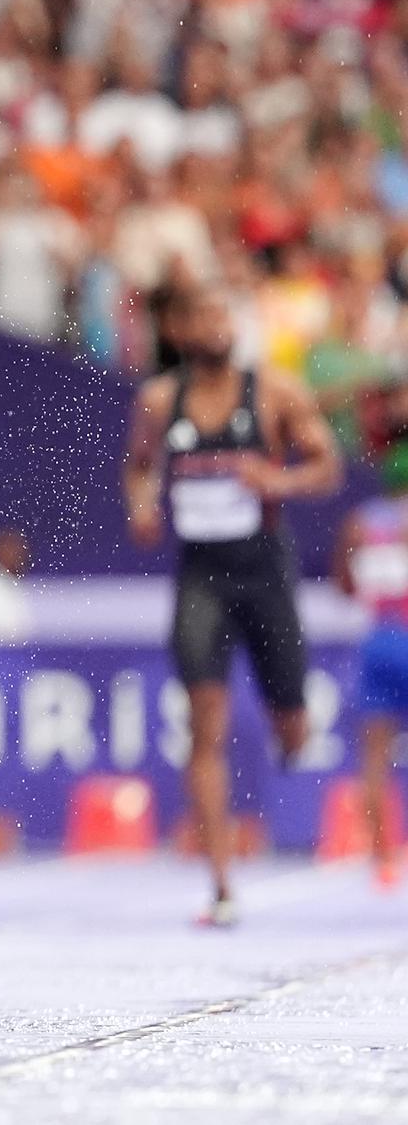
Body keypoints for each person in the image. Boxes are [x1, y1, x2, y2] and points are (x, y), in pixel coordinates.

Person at [124, 282, 340, 925]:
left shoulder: (275, 392)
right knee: (204, 724)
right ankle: (221, 885)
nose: (218, 327)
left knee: (291, 726)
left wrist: (278, 479)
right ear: (184, 333)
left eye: (226, 316)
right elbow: (139, 465)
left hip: (265, 573)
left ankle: (288, 728)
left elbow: (326, 465)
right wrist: (140, 504)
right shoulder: (161, 401)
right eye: (205, 318)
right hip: (202, 579)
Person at [328, 453, 407, 891]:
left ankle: (384, 861)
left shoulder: (361, 523)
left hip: (378, 641)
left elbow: (344, 585)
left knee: (375, 760)